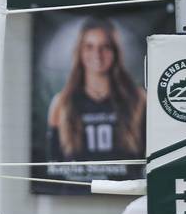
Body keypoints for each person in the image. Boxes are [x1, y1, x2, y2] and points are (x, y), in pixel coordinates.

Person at [46, 17, 146, 162]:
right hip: (79, 185)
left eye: (105, 46)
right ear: (79, 52)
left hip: (126, 185)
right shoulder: (61, 103)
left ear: (115, 51)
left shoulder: (139, 99)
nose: (97, 54)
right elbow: (54, 164)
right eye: (89, 47)